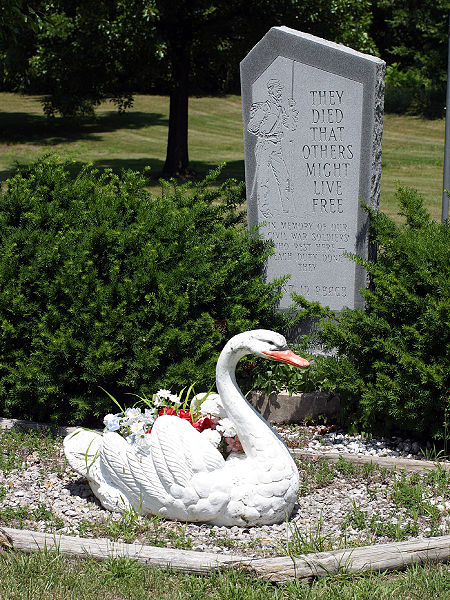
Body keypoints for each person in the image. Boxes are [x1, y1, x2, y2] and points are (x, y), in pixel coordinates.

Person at [248, 79, 298, 216]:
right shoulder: (265, 108)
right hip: (264, 147)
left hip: (277, 147)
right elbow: (252, 127)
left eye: (281, 89)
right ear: (271, 91)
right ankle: (264, 210)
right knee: (264, 179)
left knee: (284, 177)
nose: (280, 92)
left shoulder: (281, 108)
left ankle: (287, 209)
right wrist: (264, 135)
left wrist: (292, 111)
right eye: (278, 89)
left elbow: (291, 126)